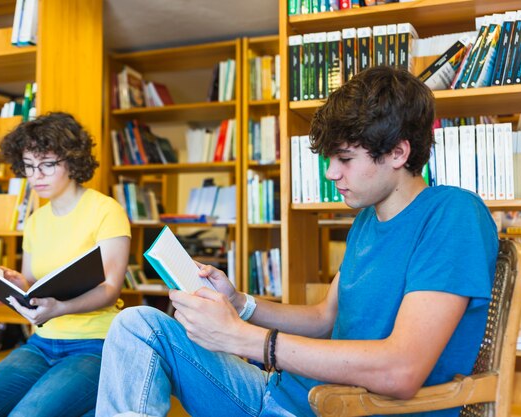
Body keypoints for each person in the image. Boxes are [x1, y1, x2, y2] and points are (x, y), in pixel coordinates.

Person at [95, 66, 499, 417]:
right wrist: (241, 304)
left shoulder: (452, 215)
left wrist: (243, 338)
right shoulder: (366, 221)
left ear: (397, 152)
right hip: (287, 395)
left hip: (339, 408)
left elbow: (400, 370)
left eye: (344, 159)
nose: (330, 174)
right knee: (137, 324)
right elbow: (325, 318)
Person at [0, 112, 131, 417]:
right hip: (43, 342)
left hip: (95, 344)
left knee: (28, 414)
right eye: (29, 166)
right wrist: (12, 280)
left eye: (48, 164)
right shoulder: (36, 221)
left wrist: (60, 308)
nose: (36, 176)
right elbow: (31, 281)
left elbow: (110, 289)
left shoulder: (106, 211)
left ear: (72, 161)